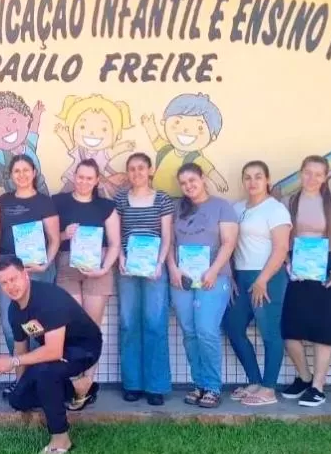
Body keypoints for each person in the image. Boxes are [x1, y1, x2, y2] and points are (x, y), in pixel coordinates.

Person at [0, 256, 102, 454]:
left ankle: (61, 438)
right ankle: (78, 388)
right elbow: (21, 349)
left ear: (25, 275)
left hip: (83, 348)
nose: (10, 286)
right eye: (4, 283)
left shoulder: (48, 299)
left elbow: (53, 352)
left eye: (13, 279)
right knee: (18, 399)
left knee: (45, 372)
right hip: (55, 350)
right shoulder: (14, 311)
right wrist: (22, 385)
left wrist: (12, 362)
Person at [280, 155, 331, 407]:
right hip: (296, 270)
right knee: (290, 331)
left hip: (326, 271)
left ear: (325, 177)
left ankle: (318, 387)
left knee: (323, 330)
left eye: (318, 174)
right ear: (301, 173)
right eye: (308, 172)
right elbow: (282, 238)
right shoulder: (289, 202)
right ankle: (304, 378)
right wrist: (287, 262)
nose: (312, 178)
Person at [166, 163, 238, 409]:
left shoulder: (222, 206)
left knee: (207, 331)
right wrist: (173, 268)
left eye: (192, 180)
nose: (188, 186)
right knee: (190, 333)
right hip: (182, 279)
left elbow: (229, 243)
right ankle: (199, 384)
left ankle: (213, 387)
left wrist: (214, 270)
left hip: (213, 278)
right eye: (183, 183)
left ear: (203, 179)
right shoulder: (177, 208)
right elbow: (169, 243)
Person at [52, 159, 121, 410]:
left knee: (91, 329)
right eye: (80, 177)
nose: (83, 182)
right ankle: (70, 381)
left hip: (98, 268)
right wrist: (64, 234)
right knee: (70, 326)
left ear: (97, 180)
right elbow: (50, 238)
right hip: (68, 267)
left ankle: (86, 385)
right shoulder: (59, 202)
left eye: (89, 178)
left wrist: (104, 268)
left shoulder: (106, 206)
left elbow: (114, 243)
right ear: (74, 176)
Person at [223, 161, 291, 406]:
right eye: (248, 177)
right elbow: (230, 243)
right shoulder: (237, 208)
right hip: (241, 277)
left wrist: (263, 279)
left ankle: (268, 388)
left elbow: (281, 248)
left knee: (269, 332)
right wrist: (231, 275)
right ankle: (254, 381)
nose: (252, 182)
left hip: (267, 277)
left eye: (258, 176)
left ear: (268, 180)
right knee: (232, 326)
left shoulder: (276, 210)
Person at [114, 153, 174, 406]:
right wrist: (120, 257)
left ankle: (155, 386)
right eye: (132, 168)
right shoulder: (120, 199)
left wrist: (160, 264)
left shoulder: (162, 199)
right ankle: (132, 384)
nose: (137, 172)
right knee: (129, 324)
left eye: (141, 168)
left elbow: (167, 235)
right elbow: (116, 234)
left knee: (155, 324)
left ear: (150, 170)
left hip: (154, 271)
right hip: (127, 270)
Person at [0, 155, 60, 367]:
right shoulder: (2, 202)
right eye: (17, 171)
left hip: (37, 270)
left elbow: (54, 239)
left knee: (35, 326)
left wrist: (45, 264)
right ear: (11, 175)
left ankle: (36, 375)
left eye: (26, 170)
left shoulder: (44, 202)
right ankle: (21, 373)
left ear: (34, 173)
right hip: (7, 269)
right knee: (10, 324)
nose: (21, 175)